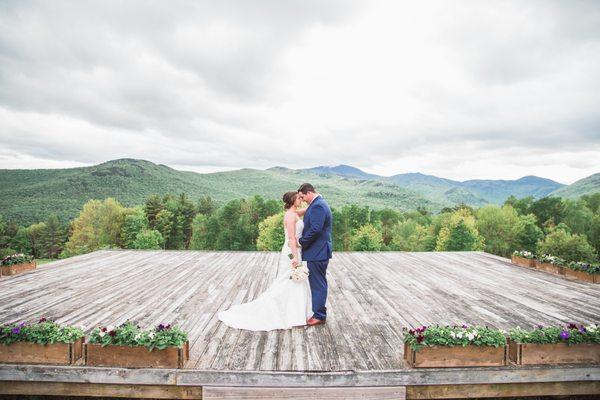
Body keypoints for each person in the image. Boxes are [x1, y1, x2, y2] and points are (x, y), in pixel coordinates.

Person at [218, 191, 312, 331]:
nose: (301, 200)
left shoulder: (294, 214)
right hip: (292, 253)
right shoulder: (291, 216)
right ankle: (291, 314)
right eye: (299, 198)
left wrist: (316, 202)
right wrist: (295, 259)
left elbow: (306, 210)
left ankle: (296, 312)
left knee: (292, 281)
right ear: (293, 200)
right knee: (290, 280)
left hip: (295, 250)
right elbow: (291, 240)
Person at [297, 183, 333, 326]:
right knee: (319, 282)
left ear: (309, 192)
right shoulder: (318, 203)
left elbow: (316, 229)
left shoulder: (318, 205)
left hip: (317, 252)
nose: (302, 200)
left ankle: (319, 316)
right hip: (318, 251)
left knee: (318, 284)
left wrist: (301, 241)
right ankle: (319, 313)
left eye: (302, 196)